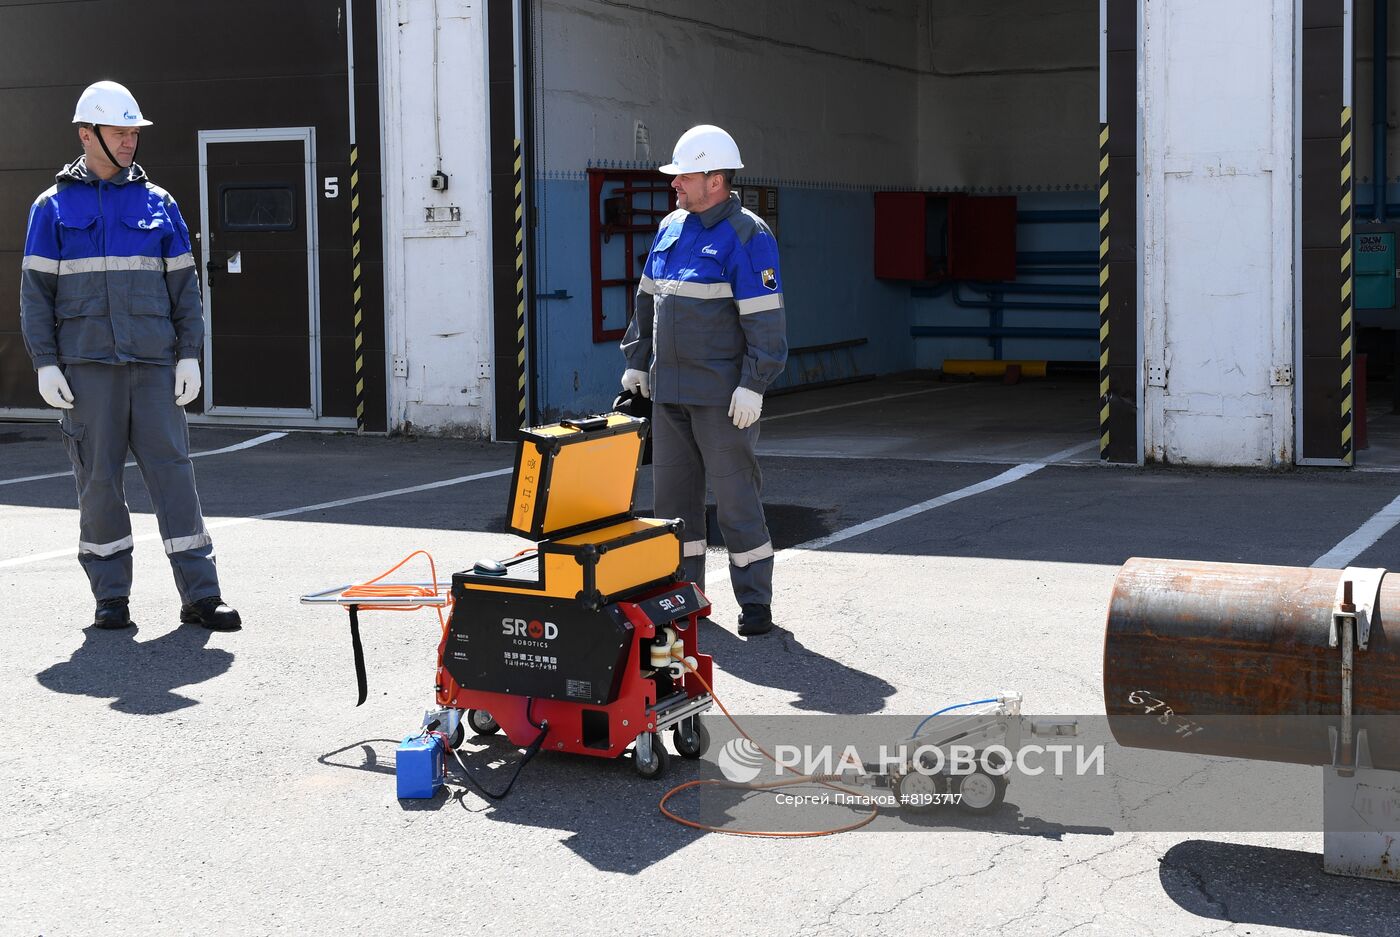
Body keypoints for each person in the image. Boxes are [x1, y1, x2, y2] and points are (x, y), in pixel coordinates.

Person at [19, 80, 241, 632]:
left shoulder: (158, 203)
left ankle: (201, 595)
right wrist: (45, 362)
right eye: (118, 132)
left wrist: (188, 355)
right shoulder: (51, 208)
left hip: (154, 368)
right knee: (98, 485)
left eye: (132, 132)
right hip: (87, 370)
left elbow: (185, 289)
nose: (128, 142)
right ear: (86, 134)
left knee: (175, 478)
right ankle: (111, 598)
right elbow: (35, 293)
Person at [620, 124, 788, 636]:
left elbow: (765, 318)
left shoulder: (748, 235)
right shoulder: (672, 227)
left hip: (721, 399)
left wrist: (754, 383)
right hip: (668, 392)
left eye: (683, 177)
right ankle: (681, 598)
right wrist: (636, 359)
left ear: (715, 179)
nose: (674, 185)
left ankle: (755, 602)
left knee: (736, 501)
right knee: (672, 507)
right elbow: (648, 299)